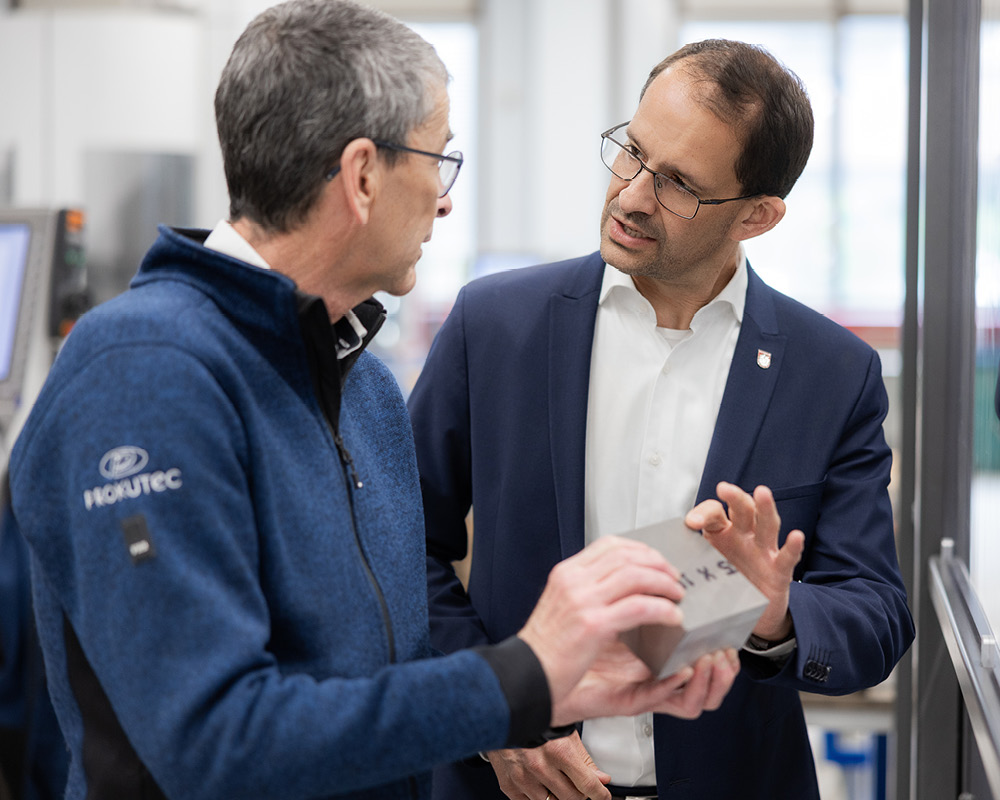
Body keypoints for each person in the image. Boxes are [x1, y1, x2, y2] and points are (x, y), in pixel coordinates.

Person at [5, 5, 742, 800]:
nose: (445, 201)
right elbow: (215, 744)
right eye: (440, 159)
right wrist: (518, 674)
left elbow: (378, 671)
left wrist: (540, 699)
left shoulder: (365, 384)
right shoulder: (142, 375)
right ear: (362, 176)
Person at [408, 39, 915, 800]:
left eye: (679, 184)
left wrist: (774, 613)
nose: (633, 195)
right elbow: (401, 548)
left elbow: (875, 615)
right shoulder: (495, 326)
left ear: (757, 216)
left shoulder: (832, 374)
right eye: (633, 152)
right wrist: (493, 709)